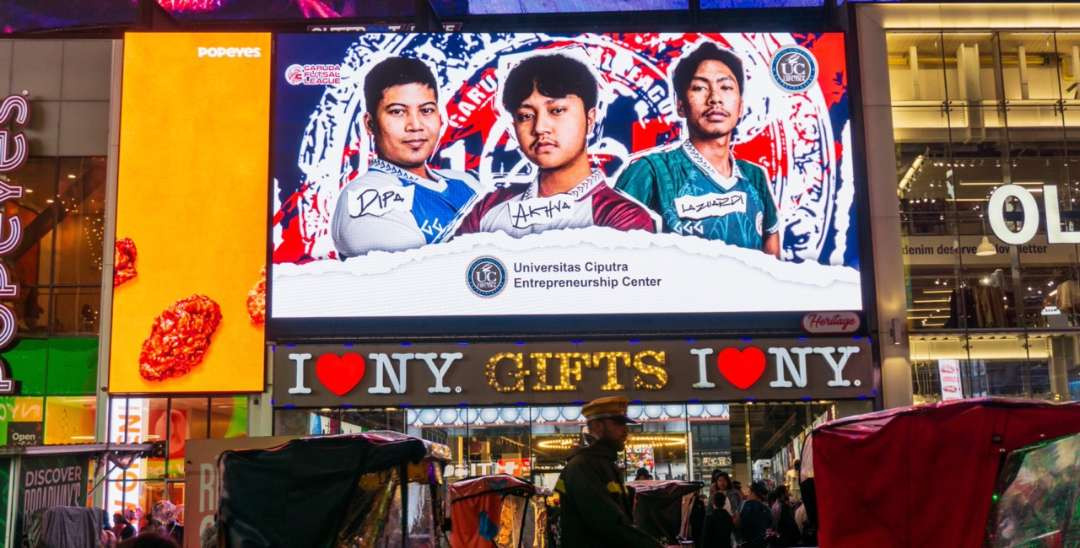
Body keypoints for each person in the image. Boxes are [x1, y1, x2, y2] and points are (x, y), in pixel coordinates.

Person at [456, 54, 656, 236]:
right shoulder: (489, 207)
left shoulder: (622, 216)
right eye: (526, 116)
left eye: (557, 110)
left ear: (590, 119)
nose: (540, 127)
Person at [616, 42, 781, 257]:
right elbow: (615, 258)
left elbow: (772, 254)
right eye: (699, 87)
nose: (715, 98)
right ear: (680, 105)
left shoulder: (754, 177)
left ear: (740, 106)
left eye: (726, 87)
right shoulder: (649, 172)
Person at [331, 56, 482, 258]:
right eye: (398, 112)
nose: (415, 125)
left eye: (426, 110)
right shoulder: (364, 195)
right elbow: (417, 280)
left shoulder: (464, 181)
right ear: (370, 124)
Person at [554, 396, 662, 548]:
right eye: (618, 423)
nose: (625, 430)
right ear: (597, 426)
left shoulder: (607, 466)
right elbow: (607, 523)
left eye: (625, 424)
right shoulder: (582, 466)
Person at [735, 481, 772, 548]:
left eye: (749, 492)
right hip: (761, 543)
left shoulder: (743, 505)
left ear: (753, 492)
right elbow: (770, 526)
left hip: (746, 542)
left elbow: (737, 523)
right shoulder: (767, 509)